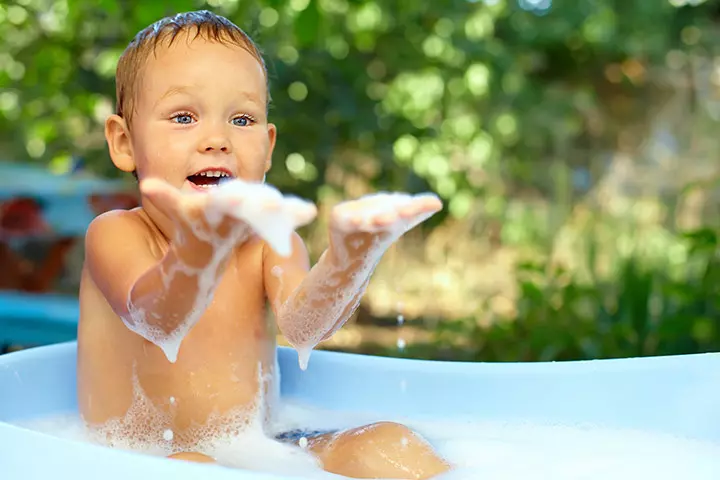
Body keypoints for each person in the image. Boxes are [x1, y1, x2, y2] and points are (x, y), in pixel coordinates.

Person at [77, 10, 450, 479]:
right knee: (189, 470)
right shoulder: (116, 233)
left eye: (242, 118)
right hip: (132, 462)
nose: (217, 139)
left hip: (259, 449)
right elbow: (156, 318)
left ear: (268, 146)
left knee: (392, 445)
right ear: (124, 142)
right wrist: (199, 250)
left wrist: (350, 259)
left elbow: (304, 327)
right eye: (184, 116)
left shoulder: (268, 244)